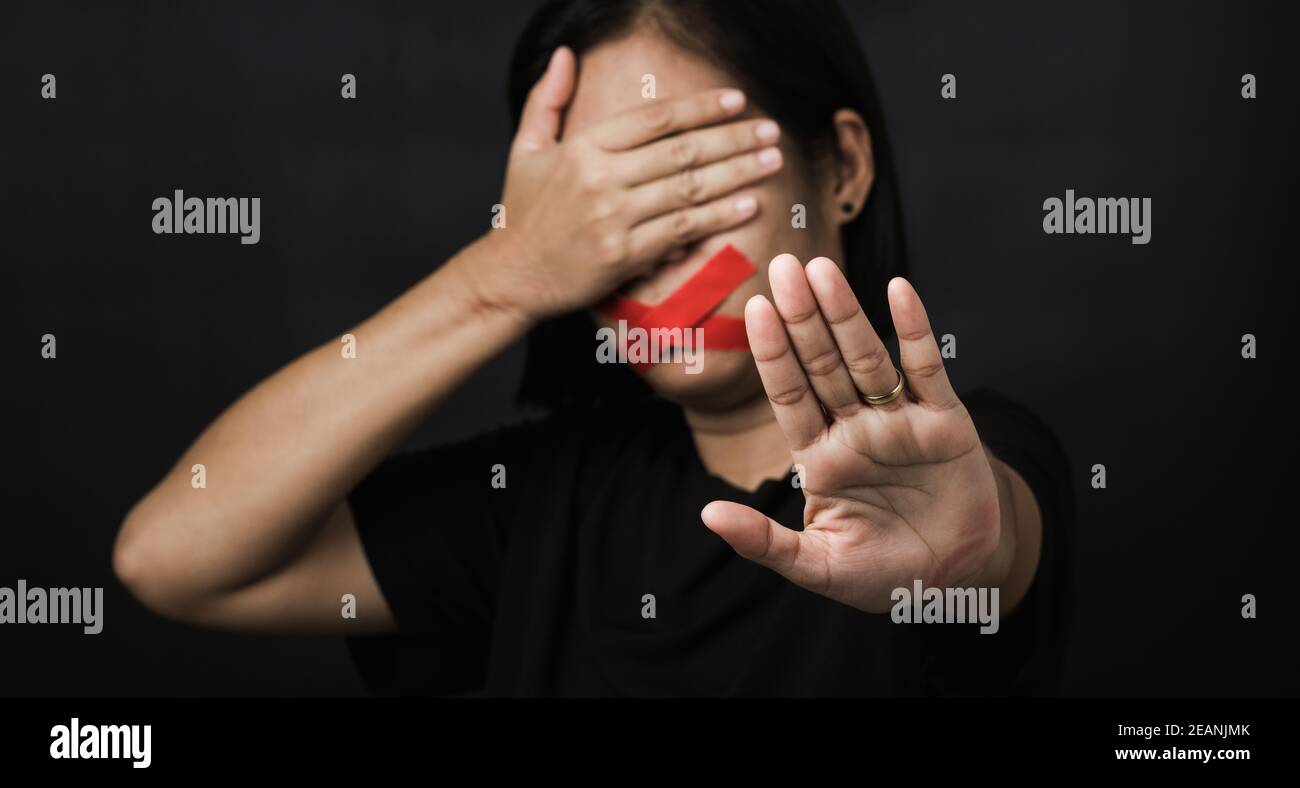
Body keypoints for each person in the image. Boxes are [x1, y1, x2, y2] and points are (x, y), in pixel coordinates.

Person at [113, 0, 1073, 696]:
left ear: (844, 168)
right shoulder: (537, 507)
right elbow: (173, 557)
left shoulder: (963, 469)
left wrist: (973, 560)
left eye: (683, 180)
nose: (650, 250)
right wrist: (505, 273)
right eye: (600, 209)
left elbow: (991, 539)